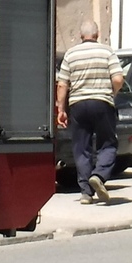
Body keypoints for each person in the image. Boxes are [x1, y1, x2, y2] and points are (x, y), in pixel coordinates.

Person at [55, 19, 124, 204]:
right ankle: (99, 176)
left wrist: (61, 109)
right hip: (102, 103)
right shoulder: (107, 51)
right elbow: (118, 79)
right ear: (97, 34)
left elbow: (62, 84)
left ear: (80, 35)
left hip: (77, 105)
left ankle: (86, 192)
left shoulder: (70, 54)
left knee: (81, 148)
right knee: (108, 144)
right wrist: (111, 94)